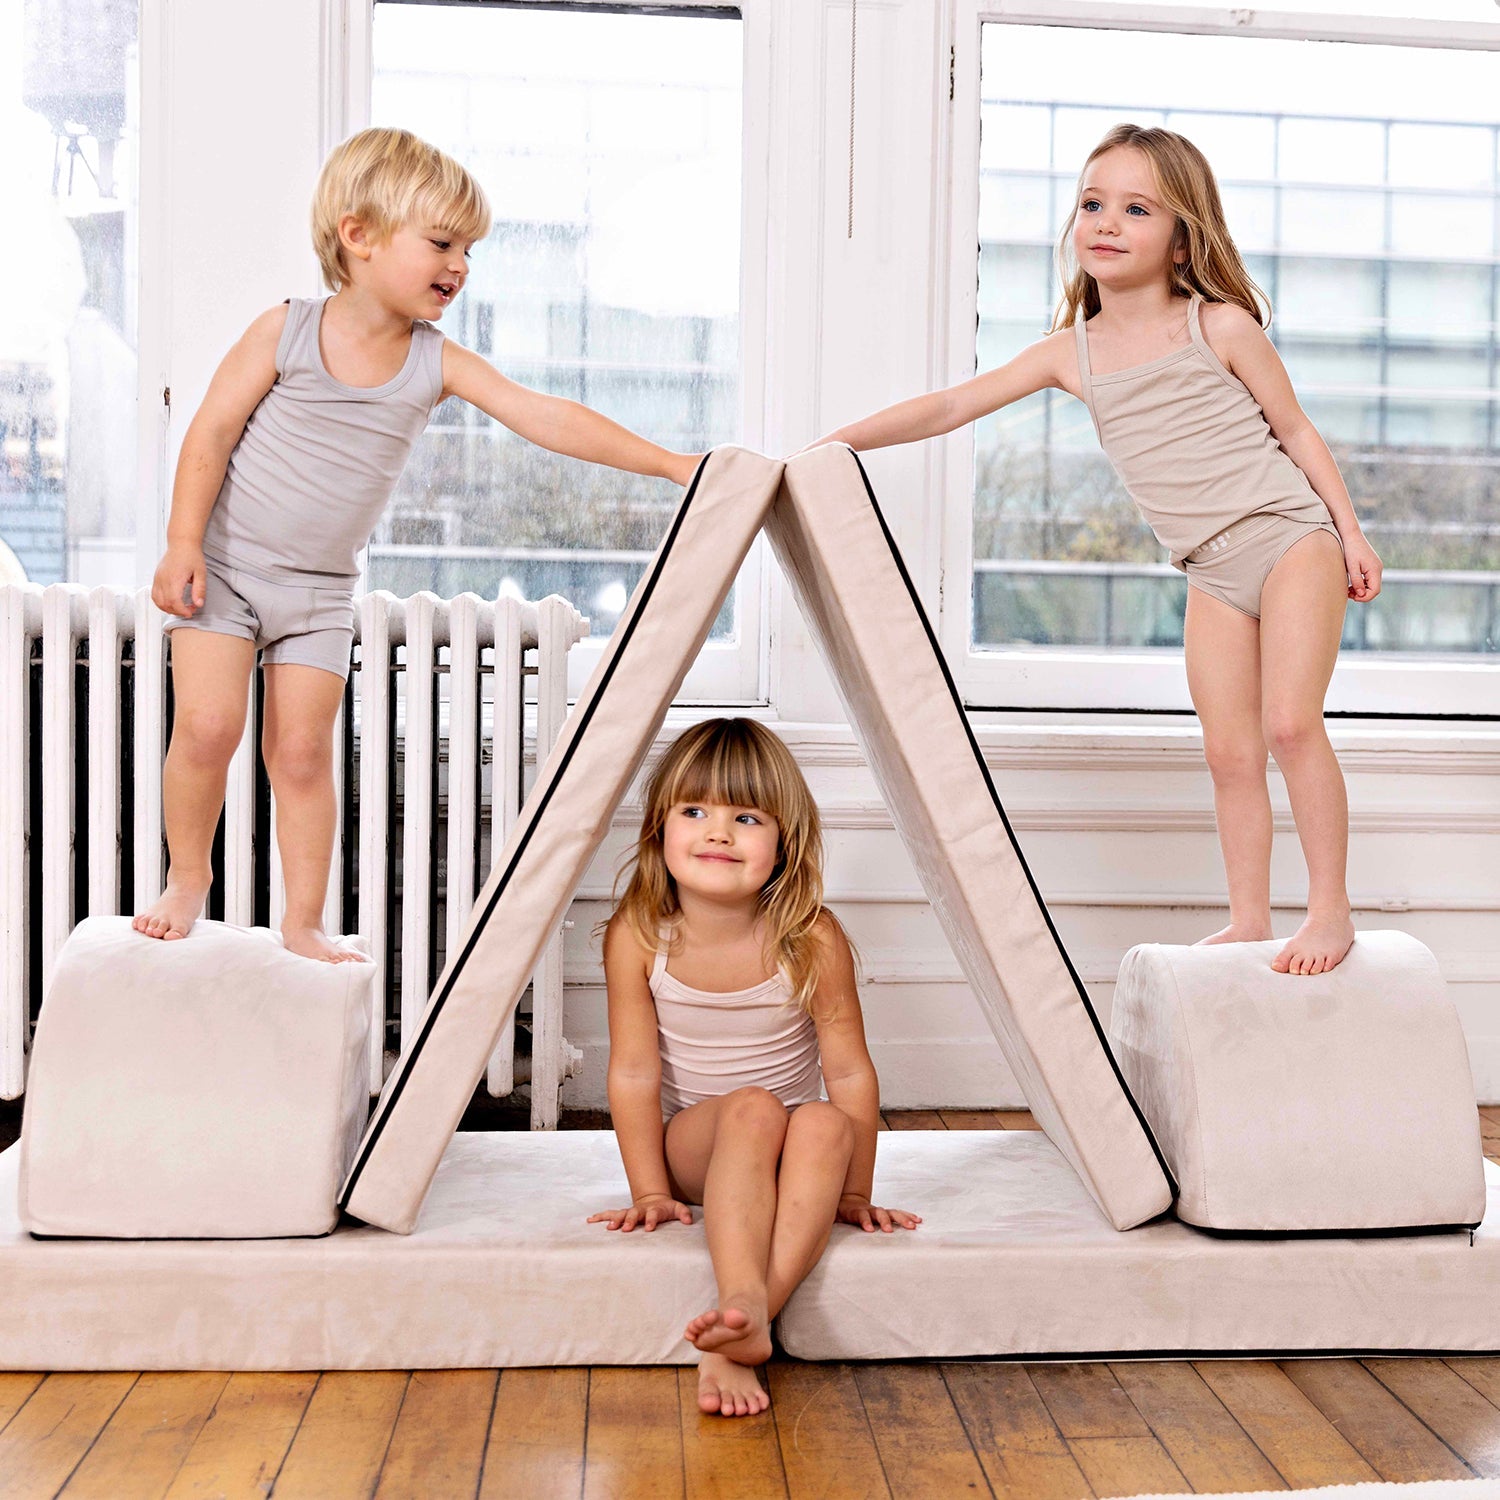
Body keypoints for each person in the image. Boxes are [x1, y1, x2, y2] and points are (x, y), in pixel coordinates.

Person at [812, 124, 1383, 976]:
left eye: (1137, 209)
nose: (1107, 222)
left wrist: (1350, 532)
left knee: (1290, 724)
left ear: (1182, 239)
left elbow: (1296, 431)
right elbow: (950, 407)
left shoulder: (1220, 326)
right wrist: (836, 444)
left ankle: (1330, 912)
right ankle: (1250, 918)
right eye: (1092, 204)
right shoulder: (1069, 355)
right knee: (1228, 753)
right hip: (1209, 569)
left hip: (1290, 537)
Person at [133, 127, 700, 961]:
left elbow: (542, 415)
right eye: (442, 243)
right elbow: (210, 433)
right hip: (224, 571)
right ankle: (187, 877)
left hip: (319, 594)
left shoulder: (434, 361)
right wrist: (182, 541)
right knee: (209, 728)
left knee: (301, 754)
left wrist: (674, 465)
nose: (461, 265)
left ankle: (303, 920)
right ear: (358, 235)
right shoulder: (284, 331)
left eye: (469, 250)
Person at [589, 718, 920, 1417]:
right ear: (658, 828)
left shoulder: (812, 937)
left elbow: (850, 1074)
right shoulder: (639, 935)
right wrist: (650, 1190)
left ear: (783, 843)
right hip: (698, 1146)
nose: (718, 832)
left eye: (745, 817)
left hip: (791, 1147)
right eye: (694, 811)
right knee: (753, 1106)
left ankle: (746, 1328)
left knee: (823, 1121)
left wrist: (854, 1191)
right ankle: (743, 1297)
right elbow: (633, 1073)